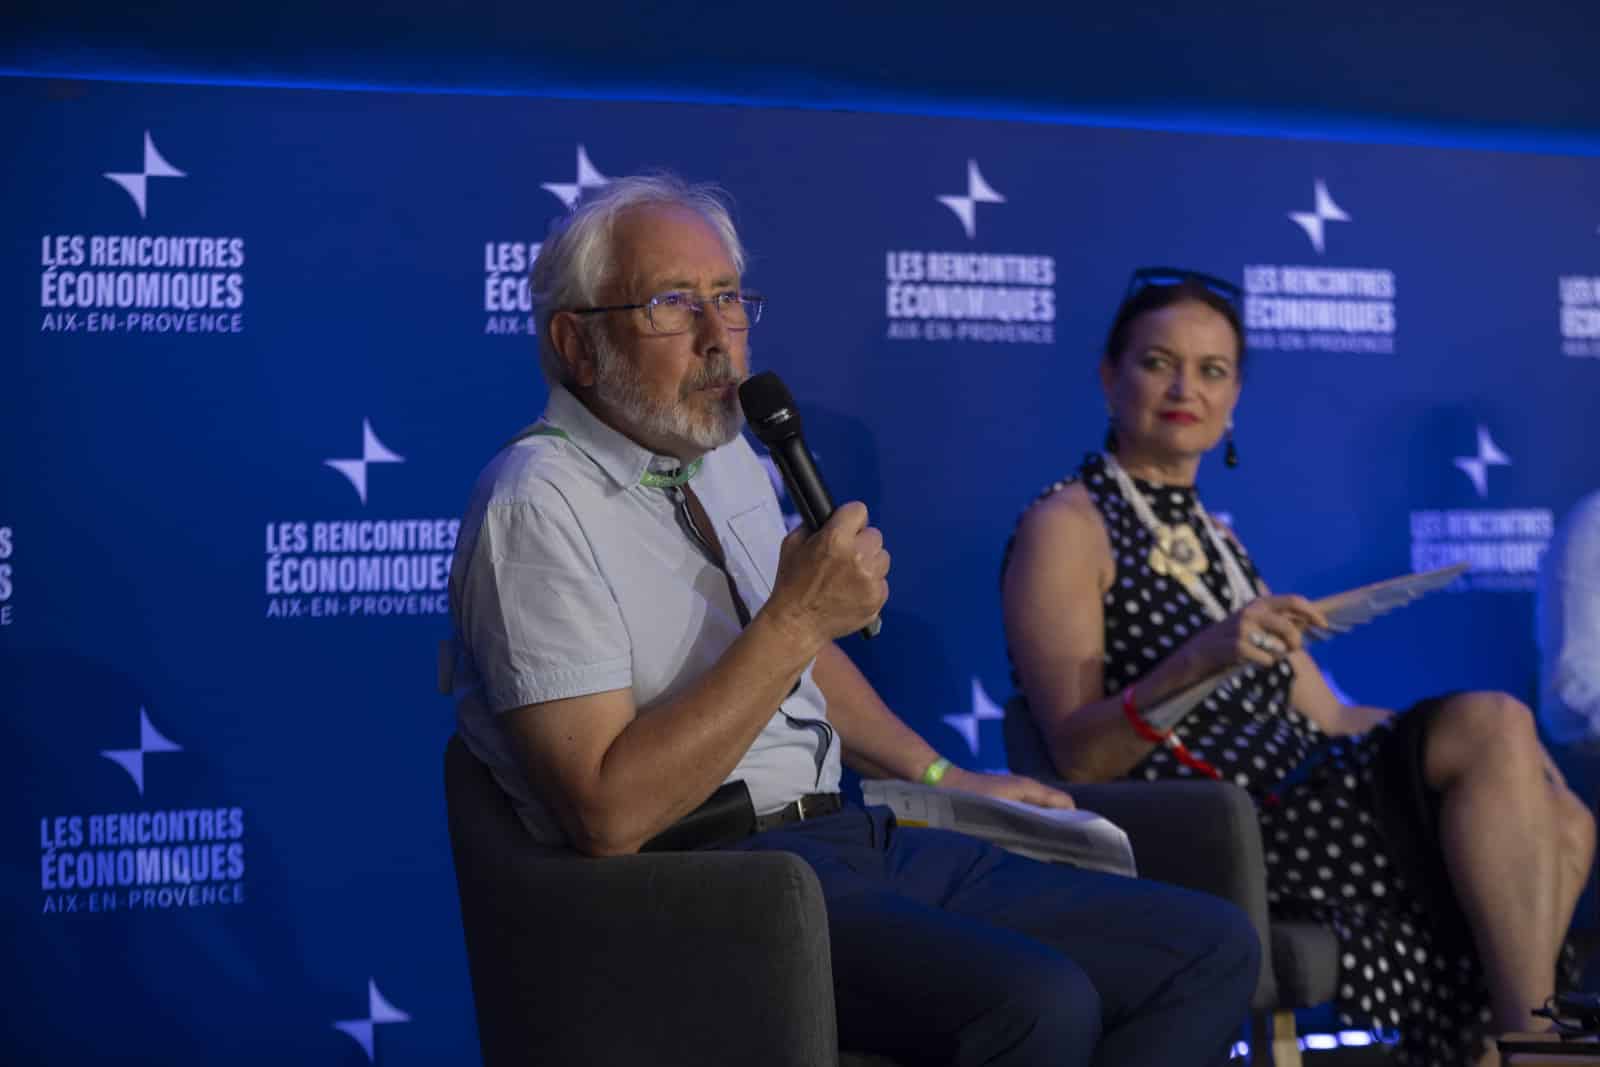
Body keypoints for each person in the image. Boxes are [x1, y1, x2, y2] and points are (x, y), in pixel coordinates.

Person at [447, 178, 1258, 1067]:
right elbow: (608, 812)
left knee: (1207, 948)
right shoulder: (535, 504)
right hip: (713, 886)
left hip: (848, 835)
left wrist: (946, 775)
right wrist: (797, 619)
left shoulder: (724, 456)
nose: (719, 336)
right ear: (577, 343)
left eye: (728, 298)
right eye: (672, 304)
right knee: (1039, 1003)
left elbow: (798, 662)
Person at [1001, 267, 1597, 1066]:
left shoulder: (1220, 540)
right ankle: (1534, 1044)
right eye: (1158, 362)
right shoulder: (1067, 524)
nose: (1185, 388)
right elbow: (1078, 755)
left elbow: (1331, 714)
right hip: (1212, 821)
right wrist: (1206, 654)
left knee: (1559, 808)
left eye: (1212, 370)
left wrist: (1507, 759)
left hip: (1304, 785)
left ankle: (1495, 1052)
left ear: (1235, 396)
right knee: (1493, 729)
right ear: (1111, 376)